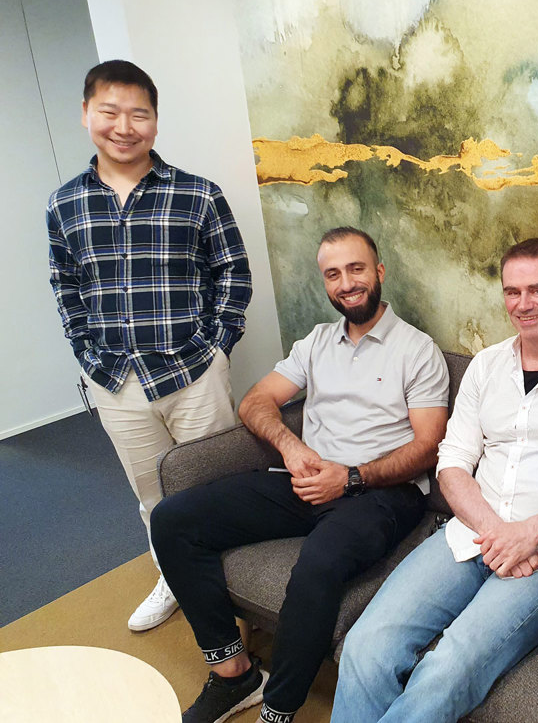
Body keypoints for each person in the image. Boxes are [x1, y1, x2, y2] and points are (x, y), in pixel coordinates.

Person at [332, 238, 538, 723]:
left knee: (450, 668)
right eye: (512, 292)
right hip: (468, 535)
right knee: (365, 645)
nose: (524, 304)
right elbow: (453, 461)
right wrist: (498, 533)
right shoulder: (486, 366)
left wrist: (529, 532)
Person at [151, 226, 449, 723]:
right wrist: (291, 447)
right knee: (174, 519)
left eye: (356, 269)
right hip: (305, 479)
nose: (346, 283)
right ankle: (234, 674)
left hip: (382, 494)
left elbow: (427, 447)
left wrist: (350, 477)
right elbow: (256, 401)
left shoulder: (417, 350)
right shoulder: (316, 343)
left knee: (317, 564)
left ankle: (278, 709)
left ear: (378, 272)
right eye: (333, 274)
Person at [46, 59, 252, 632]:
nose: (124, 126)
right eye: (110, 111)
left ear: (155, 121)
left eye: (139, 113)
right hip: (114, 380)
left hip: (193, 371)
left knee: (219, 488)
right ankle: (175, 579)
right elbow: (66, 287)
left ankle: (238, 591)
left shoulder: (198, 195)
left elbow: (233, 275)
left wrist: (216, 350)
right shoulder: (65, 205)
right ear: (87, 114)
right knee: (152, 497)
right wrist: (88, 358)